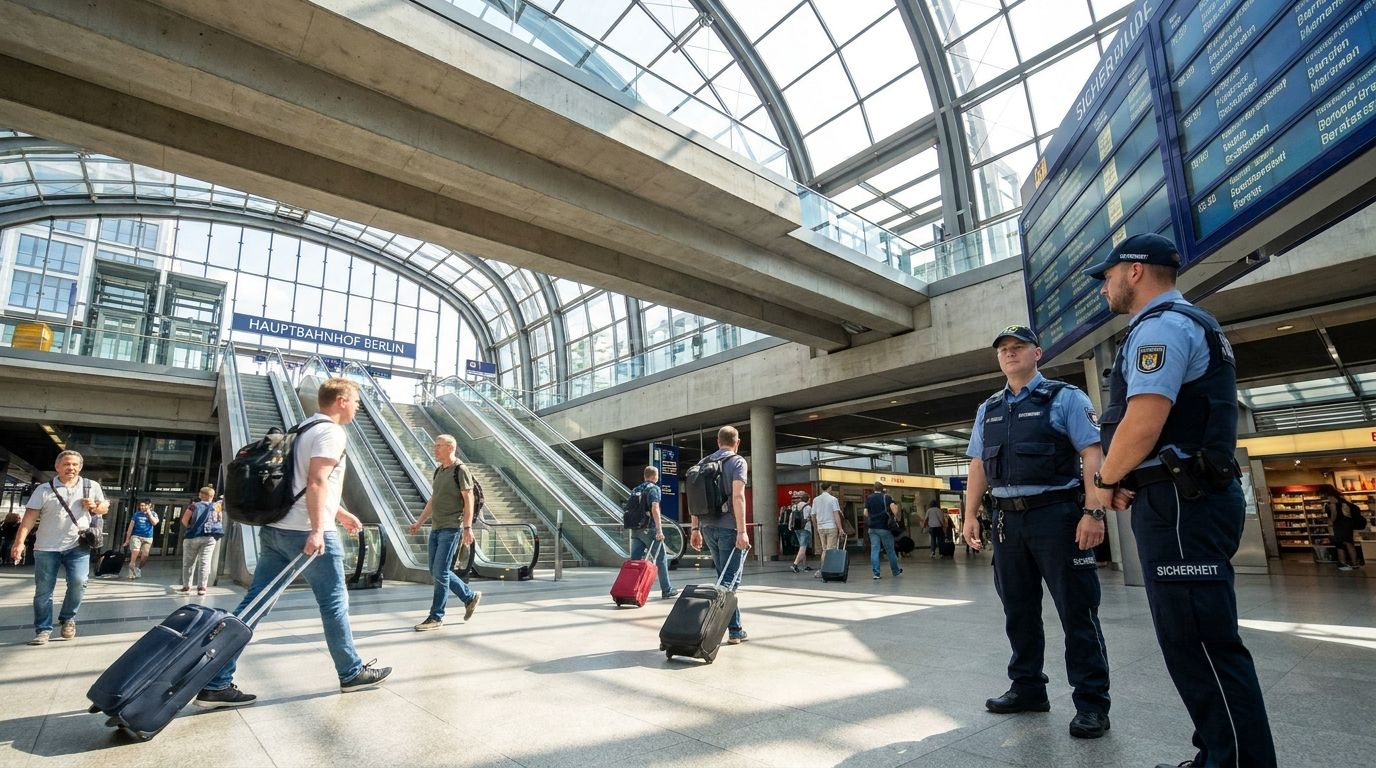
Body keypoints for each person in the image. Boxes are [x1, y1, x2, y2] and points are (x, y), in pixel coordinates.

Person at [1086, 233, 1276, 767]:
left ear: (1136, 271)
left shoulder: (1164, 327)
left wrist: (1105, 480)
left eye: (1109, 274)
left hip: (1179, 506)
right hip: (1179, 499)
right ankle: (1219, 752)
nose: (1105, 285)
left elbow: (1143, 422)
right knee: (1190, 639)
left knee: (1202, 642)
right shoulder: (1180, 323)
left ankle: (1235, 761)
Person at [195, 378, 391, 708]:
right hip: (306, 531)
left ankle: (216, 681)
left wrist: (340, 512)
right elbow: (315, 481)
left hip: (277, 529)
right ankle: (351, 673)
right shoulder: (331, 431)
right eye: (356, 401)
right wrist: (318, 529)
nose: (358, 407)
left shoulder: (302, 429)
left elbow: (304, 481)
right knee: (333, 602)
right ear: (341, 401)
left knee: (255, 604)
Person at [961, 324, 1111, 740]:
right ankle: (1028, 688)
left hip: (1057, 517)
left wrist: (1093, 512)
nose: (1009, 354)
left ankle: (1092, 703)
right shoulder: (989, 408)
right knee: (1019, 611)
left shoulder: (1065, 398)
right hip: (1007, 521)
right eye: (1003, 350)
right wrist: (970, 515)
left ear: (1037, 353)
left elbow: (1091, 454)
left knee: (1077, 611)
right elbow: (978, 465)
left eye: (1017, 348)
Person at [10, 450, 109, 645]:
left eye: (74, 465)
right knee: (44, 591)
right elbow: (29, 519)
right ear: (57, 467)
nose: (70, 468)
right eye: (66, 464)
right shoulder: (44, 490)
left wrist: (94, 507)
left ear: (80, 467)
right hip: (46, 547)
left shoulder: (91, 486)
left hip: (78, 546)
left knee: (79, 583)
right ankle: (43, 630)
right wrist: (19, 543)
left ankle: (67, 618)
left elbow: (104, 508)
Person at [408, 434, 483, 630]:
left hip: (452, 527)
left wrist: (467, 527)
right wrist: (419, 522)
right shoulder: (439, 471)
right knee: (436, 570)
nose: (435, 449)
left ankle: (436, 617)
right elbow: (434, 500)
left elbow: (469, 500)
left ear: (450, 448)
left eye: (439, 446)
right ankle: (469, 597)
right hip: (437, 527)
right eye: (435, 446)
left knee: (440, 571)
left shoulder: (460, 470)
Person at [688, 426, 749, 645]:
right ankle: (707, 627)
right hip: (729, 528)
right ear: (737, 442)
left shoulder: (703, 463)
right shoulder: (737, 462)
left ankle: (735, 629)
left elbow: (694, 499)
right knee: (730, 582)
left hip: (707, 527)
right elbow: (738, 497)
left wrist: (695, 529)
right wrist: (742, 531)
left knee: (724, 579)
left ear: (718, 441)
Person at [626, 465, 678, 599]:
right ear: (655, 476)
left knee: (635, 561)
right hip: (649, 529)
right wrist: (659, 530)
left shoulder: (635, 489)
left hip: (636, 530)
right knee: (661, 559)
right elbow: (655, 508)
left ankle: (631, 589)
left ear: (644, 476)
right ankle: (667, 590)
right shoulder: (654, 488)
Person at [179, 487, 221, 595]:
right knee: (205, 562)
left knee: (188, 563)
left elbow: (184, 520)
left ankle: (187, 586)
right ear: (212, 496)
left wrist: (190, 527)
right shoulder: (217, 506)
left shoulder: (193, 506)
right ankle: (202, 587)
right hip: (209, 538)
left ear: (200, 495)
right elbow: (218, 520)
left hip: (192, 537)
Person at [863, 481, 902, 580]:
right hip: (884, 528)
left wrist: (873, 517)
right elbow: (894, 511)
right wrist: (895, 512)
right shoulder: (887, 498)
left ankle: (876, 573)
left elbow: (865, 513)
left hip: (872, 528)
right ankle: (895, 571)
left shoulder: (869, 498)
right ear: (882, 489)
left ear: (874, 488)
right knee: (890, 550)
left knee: (874, 550)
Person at [1325, 487, 1365, 571]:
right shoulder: (1343, 501)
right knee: (1349, 543)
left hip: (1340, 526)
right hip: (1348, 525)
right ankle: (1354, 563)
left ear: (1330, 496)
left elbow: (1334, 514)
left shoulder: (1332, 503)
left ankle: (1343, 563)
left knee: (1339, 544)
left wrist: (1331, 521)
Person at [810, 482, 842, 577]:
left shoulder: (816, 500)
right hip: (831, 526)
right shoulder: (833, 499)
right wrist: (840, 528)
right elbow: (836, 515)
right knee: (831, 550)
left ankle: (822, 569)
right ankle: (827, 570)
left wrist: (816, 527)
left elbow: (813, 516)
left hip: (821, 527)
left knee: (824, 550)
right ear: (830, 488)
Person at [123, 499, 159, 579]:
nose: (141, 507)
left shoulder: (154, 514)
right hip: (136, 536)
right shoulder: (136, 514)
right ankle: (131, 566)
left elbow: (154, 523)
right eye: (140, 505)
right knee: (136, 550)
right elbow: (131, 527)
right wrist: (127, 539)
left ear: (148, 505)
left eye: (143, 506)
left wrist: (149, 513)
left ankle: (138, 568)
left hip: (148, 537)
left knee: (145, 555)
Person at [789, 491, 813, 573]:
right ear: (808, 499)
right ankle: (794, 565)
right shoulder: (808, 507)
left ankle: (804, 566)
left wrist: (790, 526)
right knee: (803, 547)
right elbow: (811, 517)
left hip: (796, 528)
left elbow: (791, 517)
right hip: (805, 528)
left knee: (802, 547)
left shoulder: (795, 506)